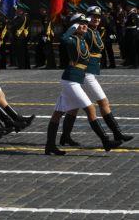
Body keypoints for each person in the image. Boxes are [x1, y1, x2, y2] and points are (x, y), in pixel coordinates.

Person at [45, 13, 122, 156]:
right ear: (74, 26)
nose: (85, 25)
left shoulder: (82, 40)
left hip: (75, 80)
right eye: (81, 23)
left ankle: (50, 145)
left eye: (85, 23)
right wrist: (72, 28)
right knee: (90, 108)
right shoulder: (73, 39)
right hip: (71, 80)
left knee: (58, 113)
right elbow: (63, 39)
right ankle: (106, 141)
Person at [59, 6, 133, 147]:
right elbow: (72, 41)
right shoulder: (86, 31)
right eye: (93, 16)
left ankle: (65, 136)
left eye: (98, 17)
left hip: (89, 72)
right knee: (103, 102)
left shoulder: (95, 31)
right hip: (86, 73)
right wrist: (76, 25)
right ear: (87, 18)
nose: (97, 19)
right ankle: (117, 133)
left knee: (73, 107)